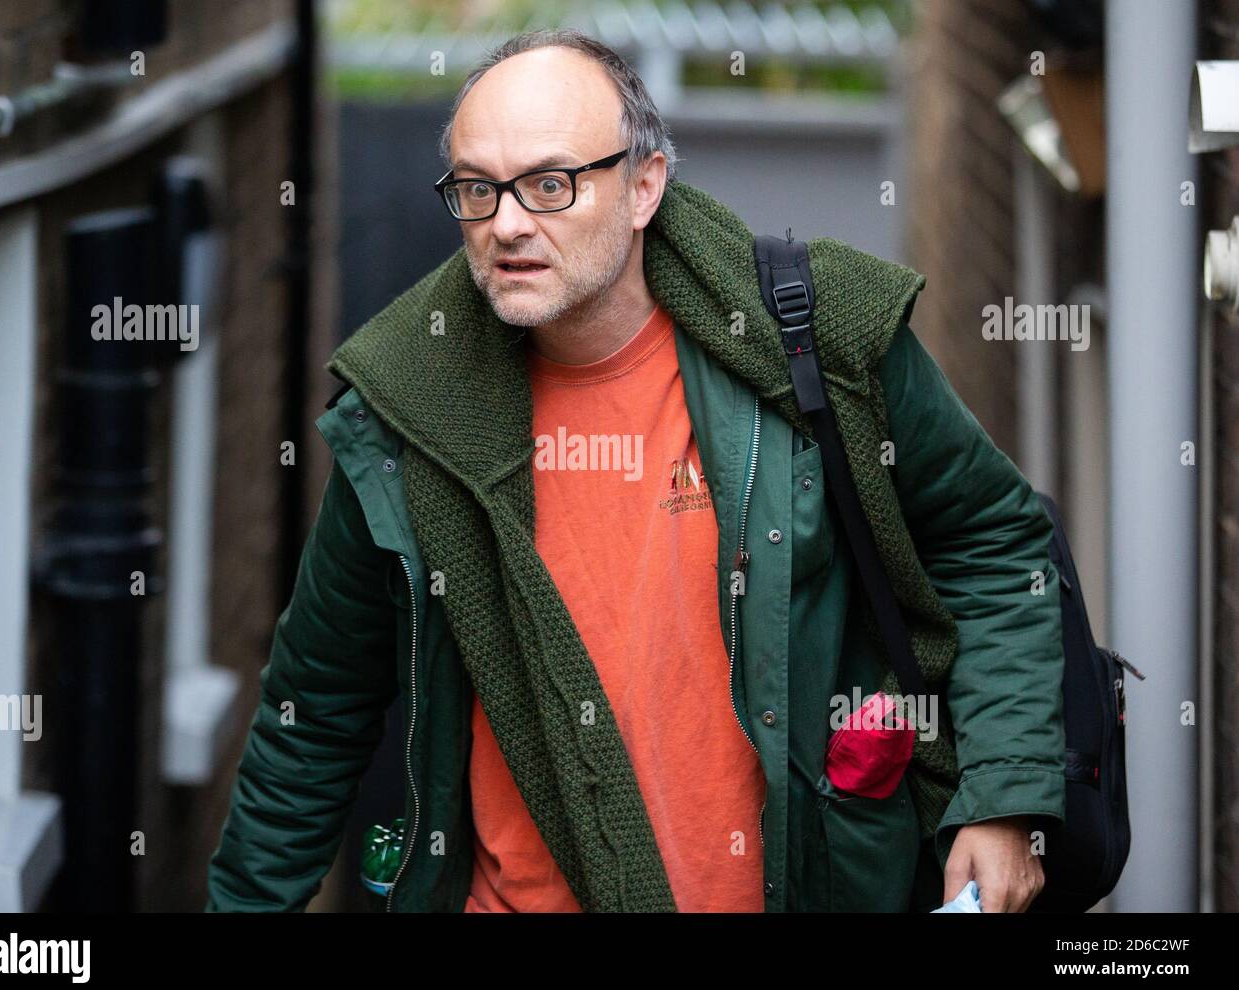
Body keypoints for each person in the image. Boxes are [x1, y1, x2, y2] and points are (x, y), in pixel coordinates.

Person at [206, 28, 1064, 914]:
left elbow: (995, 542)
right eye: (476, 188)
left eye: (549, 183)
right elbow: (311, 717)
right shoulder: (403, 418)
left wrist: (1004, 797)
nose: (505, 223)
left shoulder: (814, 341)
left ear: (645, 185)